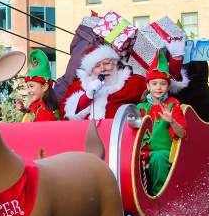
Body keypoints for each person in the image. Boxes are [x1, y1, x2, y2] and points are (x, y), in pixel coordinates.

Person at [61, 39, 186, 121]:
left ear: (115, 64)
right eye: (97, 66)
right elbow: (66, 116)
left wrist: (176, 59)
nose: (103, 69)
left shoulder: (133, 82)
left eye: (107, 63)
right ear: (90, 71)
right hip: (88, 142)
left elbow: (163, 82)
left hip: (126, 139)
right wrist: (87, 96)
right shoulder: (77, 87)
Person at [136, 51, 187, 196]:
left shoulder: (172, 105)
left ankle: (160, 196)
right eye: (154, 84)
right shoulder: (140, 108)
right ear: (148, 86)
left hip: (162, 152)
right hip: (141, 152)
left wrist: (171, 121)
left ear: (168, 86)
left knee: (158, 157)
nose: (158, 87)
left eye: (163, 84)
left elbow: (182, 133)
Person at [15, 50, 60, 122]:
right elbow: (33, 111)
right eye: (28, 87)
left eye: (32, 86)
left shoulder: (45, 111)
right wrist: (23, 109)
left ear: (45, 86)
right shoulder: (43, 105)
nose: (29, 91)